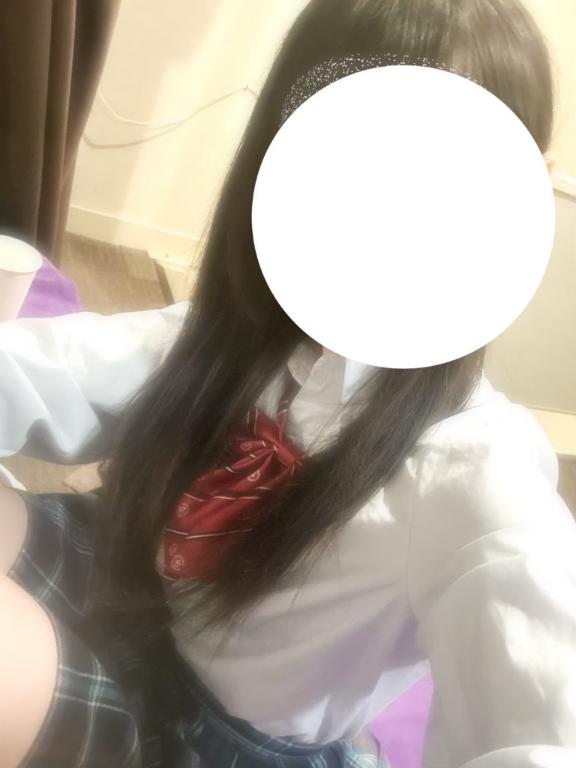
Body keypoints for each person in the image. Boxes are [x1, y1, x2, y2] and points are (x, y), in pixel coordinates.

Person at [1, 0, 575, 766]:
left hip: (208, 741)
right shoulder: (233, 340)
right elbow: (59, 369)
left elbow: (541, 717)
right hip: (123, 587)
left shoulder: (474, 473)